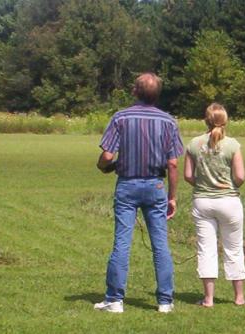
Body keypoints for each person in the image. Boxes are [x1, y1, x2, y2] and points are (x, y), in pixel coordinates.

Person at [94, 72, 183, 313]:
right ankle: (165, 300)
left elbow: (107, 156)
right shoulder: (169, 122)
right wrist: (172, 197)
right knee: (160, 245)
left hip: (127, 184)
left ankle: (114, 299)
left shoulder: (121, 117)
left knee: (122, 242)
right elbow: (173, 164)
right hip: (155, 186)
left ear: (134, 92)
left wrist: (103, 167)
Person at [183, 103, 245, 307]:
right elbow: (240, 176)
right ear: (225, 121)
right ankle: (238, 297)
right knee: (233, 248)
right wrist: (229, 185)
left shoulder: (194, 144)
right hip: (229, 200)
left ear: (206, 120)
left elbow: (188, 176)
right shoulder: (232, 145)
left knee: (206, 249)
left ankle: (208, 298)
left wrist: (202, 184)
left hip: (203, 201)